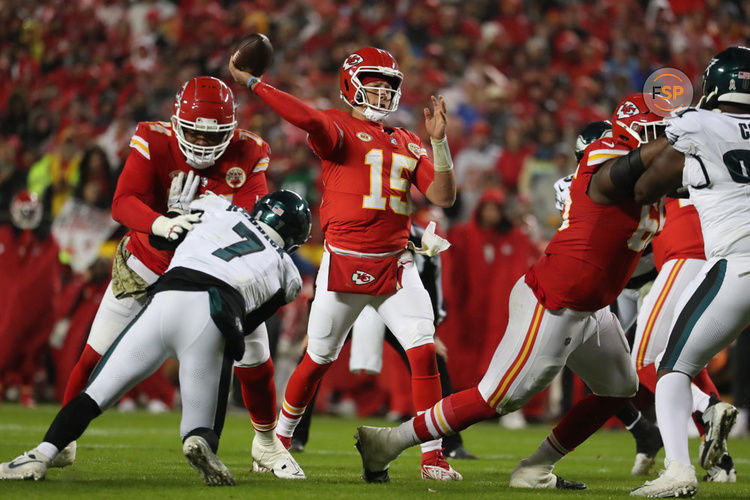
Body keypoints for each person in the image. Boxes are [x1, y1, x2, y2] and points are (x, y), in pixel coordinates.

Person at [353, 94, 668, 489]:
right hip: (554, 299)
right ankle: (387, 442)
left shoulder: (644, 168)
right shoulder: (603, 162)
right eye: (659, 132)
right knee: (496, 398)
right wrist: (681, 139)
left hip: (590, 305)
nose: (667, 139)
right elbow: (636, 177)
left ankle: (536, 468)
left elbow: (672, 176)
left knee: (620, 387)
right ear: (630, 134)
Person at [228, 46, 461, 480]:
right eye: (374, 82)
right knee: (316, 359)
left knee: (423, 351)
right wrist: (255, 83)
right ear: (351, 84)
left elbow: (444, 196)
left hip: (395, 265)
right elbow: (307, 118)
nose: (383, 91)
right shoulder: (338, 127)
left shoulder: (409, 140)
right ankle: (276, 444)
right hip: (344, 265)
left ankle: (433, 456)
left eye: (390, 84)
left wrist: (439, 142)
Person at [56, 76, 287, 476]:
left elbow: (253, 225)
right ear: (176, 120)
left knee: (257, 360)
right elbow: (122, 202)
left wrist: (207, 211)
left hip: (215, 275)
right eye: (193, 130)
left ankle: (266, 443)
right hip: (150, 261)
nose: (200, 141)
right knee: (94, 355)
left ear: (231, 131)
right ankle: (60, 441)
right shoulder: (152, 138)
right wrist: (163, 224)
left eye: (210, 134)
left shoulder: (249, 151)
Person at [0, 191, 311, 484]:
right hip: (213, 312)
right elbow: (249, 320)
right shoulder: (288, 272)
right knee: (202, 427)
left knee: (93, 395)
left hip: (166, 297)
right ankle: (198, 441)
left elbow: (163, 240)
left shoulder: (217, 208)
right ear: (295, 239)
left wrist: (174, 213)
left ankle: (40, 455)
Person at [628, 46, 750, 497]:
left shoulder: (696, 122)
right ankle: (707, 413)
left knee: (669, 367)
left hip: (735, 263)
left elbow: (645, 184)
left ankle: (678, 468)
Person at [291, 222, 476, 460]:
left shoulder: (422, 238)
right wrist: (312, 324)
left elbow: (431, 283)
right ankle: (292, 435)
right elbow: (327, 272)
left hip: (396, 304)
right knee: (312, 357)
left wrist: (432, 330)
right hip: (354, 296)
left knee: (432, 360)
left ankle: (449, 443)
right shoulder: (354, 226)